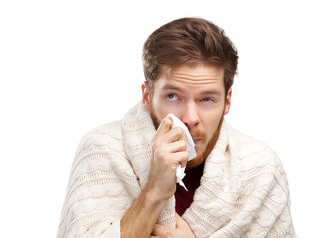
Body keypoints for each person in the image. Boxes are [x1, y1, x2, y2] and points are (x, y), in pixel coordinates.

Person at [57, 17, 297, 238]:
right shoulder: (102, 149)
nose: (190, 118)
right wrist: (154, 192)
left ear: (228, 102)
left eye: (207, 99)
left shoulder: (262, 169)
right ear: (146, 95)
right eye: (173, 96)